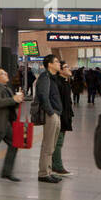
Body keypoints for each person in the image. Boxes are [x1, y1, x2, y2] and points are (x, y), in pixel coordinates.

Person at [33, 54, 63, 184]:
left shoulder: (53, 78)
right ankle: (44, 173)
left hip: (56, 113)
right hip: (51, 114)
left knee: (52, 145)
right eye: (56, 61)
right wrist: (51, 112)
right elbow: (43, 96)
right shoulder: (45, 77)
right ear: (49, 64)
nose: (59, 64)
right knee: (48, 144)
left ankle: (48, 171)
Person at [51, 60, 75, 176]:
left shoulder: (65, 83)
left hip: (65, 116)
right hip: (60, 117)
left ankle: (54, 164)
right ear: (60, 70)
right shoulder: (58, 84)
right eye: (66, 67)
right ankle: (57, 166)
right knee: (58, 142)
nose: (69, 69)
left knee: (58, 142)